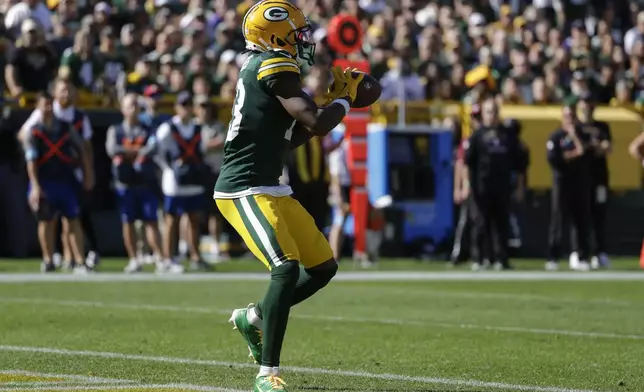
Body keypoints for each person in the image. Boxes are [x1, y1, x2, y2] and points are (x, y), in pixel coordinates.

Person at [213, 1, 361, 390]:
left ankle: (255, 318)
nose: (304, 41)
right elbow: (314, 121)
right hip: (242, 188)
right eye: (298, 34)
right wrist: (344, 101)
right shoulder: (272, 65)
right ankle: (267, 373)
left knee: (323, 267)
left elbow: (294, 137)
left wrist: (332, 104)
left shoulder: (269, 69)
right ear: (274, 35)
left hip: (270, 185)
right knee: (285, 267)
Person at [20, 78, 97, 270]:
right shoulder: (34, 131)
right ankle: (48, 259)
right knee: (45, 220)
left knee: (72, 218)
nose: (47, 109)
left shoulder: (65, 126)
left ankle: (78, 260)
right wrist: (35, 185)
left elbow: (82, 148)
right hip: (45, 180)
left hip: (65, 179)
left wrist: (88, 172)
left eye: (48, 105)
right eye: (43, 106)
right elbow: (31, 159)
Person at [106, 93, 163, 273]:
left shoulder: (147, 128)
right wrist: (135, 151)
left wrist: (131, 152)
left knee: (151, 221)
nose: (133, 109)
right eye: (129, 105)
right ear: (123, 109)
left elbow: (153, 147)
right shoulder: (115, 130)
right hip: (124, 183)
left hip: (145, 182)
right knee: (127, 222)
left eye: (135, 105)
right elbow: (112, 149)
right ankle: (133, 258)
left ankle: (160, 257)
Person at [464, 98, 520, 271]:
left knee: (501, 223)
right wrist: (468, 185)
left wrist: (517, 185)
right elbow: (468, 162)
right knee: (481, 223)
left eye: (495, 111)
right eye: (489, 111)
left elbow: (516, 162)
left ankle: (501, 258)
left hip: (502, 185)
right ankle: (479, 258)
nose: (492, 115)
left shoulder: (507, 135)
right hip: (482, 185)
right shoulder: (477, 136)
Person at [155, 91, 208, 273]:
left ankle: (195, 256)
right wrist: (170, 169)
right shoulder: (167, 128)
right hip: (174, 182)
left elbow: (202, 151)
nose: (185, 109)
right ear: (177, 107)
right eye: (182, 105)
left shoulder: (197, 127)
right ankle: (167, 258)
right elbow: (159, 153)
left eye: (188, 105)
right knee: (171, 219)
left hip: (193, 179)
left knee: (194, 218)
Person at [546, 104, 592, 272]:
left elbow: (586, 152)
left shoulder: (582, 134)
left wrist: (575, 139)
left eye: (572, 116)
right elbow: (554, 159)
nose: (569, 120)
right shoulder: (556, 137)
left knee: (581, 220)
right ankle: (553, 255)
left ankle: (580, 254)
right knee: (558, 219)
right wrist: (573, 155)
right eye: (566, 116)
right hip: (562, 182)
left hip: (579, 182)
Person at [577, 94, 612, 269]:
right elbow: (581, 149)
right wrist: (595, 146)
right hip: (581, 178)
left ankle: (600, 252)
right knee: (581, 217)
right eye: (584, 103)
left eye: (589, 103)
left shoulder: (602, 126)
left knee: (599, 215)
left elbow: (607, 148)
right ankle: (581, 253)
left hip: (599, 177)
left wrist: (594, 147)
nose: (587, 106)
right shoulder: (577, 127)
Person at [194, 94, 229, 261]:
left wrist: (199, 145)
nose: (204, 110)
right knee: (194, 212)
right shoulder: (192, 126)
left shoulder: (218, 125)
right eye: (201, 107)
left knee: (216, 211)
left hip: (215, 172)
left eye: (207, 107)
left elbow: (222, 141)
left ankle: (216, 244)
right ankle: (187, 245)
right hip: (196, 173)